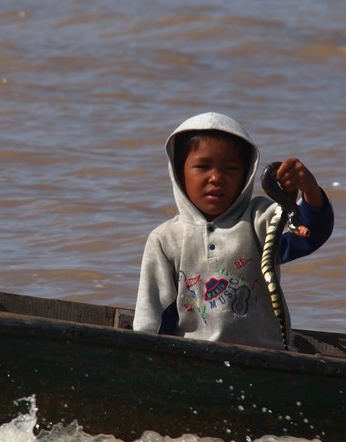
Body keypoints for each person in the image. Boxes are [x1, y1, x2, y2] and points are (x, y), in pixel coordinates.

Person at [133, 112, 334, 350]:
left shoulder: (260, 219)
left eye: (230, 168)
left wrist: (309, 190)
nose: (217, 177)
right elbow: (153, 319)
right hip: (194, 359)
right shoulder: (165, 239)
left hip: (268, 356)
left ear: (245, 176)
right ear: (179, 172)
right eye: (203, 166)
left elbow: (310, 233)